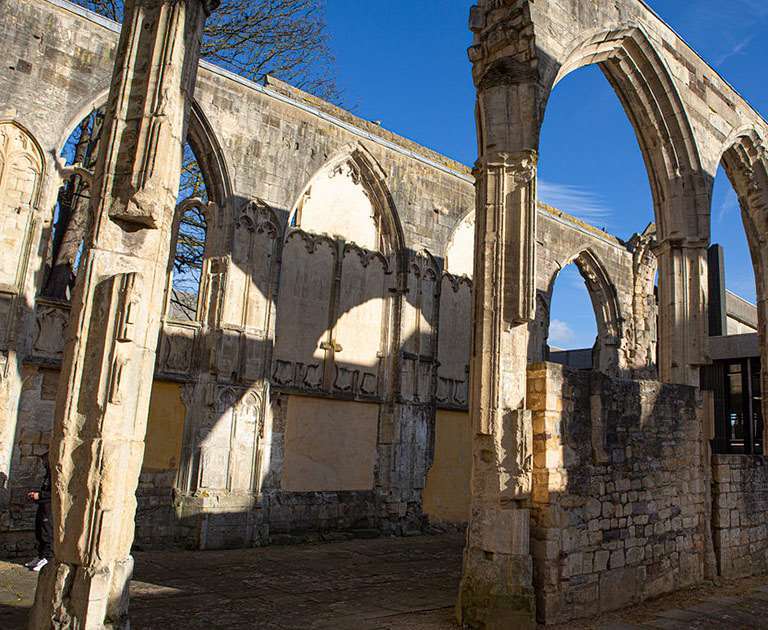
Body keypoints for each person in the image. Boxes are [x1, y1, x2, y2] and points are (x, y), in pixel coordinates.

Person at [24, 452, 53, 572]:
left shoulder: (55, 473)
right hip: (43, 506)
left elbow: (54, 493)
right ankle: (41, 556)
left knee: (47, 533)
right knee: (39, 531)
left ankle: (47, 558)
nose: (43, 463)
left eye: (44, 460)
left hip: (49, 508)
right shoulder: (48, 473)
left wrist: (39, 495)